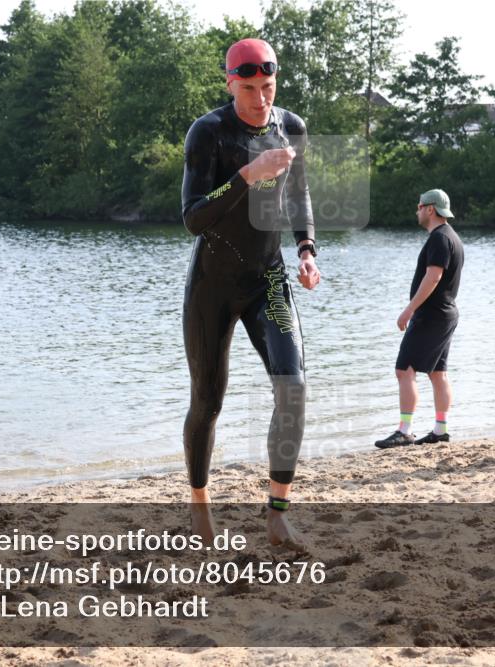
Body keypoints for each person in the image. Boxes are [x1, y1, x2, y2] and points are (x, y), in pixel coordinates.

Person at [181, 38, 320, 547]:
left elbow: (299, 196)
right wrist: (246, 174)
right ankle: (199, 505)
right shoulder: (209, 133)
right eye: (249, 89)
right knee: (208, 400)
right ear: (230, 84)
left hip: (268, 280)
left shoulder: (291, 128)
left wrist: (307, 250)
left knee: (294, 386)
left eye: (268, 87)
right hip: (212, 287)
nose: (261, 99)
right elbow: (194, 218)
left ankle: (278, 512)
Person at [376, 189, 464, 449]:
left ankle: (404, 430)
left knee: (404, 370)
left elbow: (434, 276)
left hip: (432, 315)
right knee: (438, 373)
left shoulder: (439, 238)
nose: (416, 211)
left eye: (419, 206)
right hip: (446, 313)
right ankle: (440, 429)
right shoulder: (452, 237)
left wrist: (410, 309)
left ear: (430, 209)